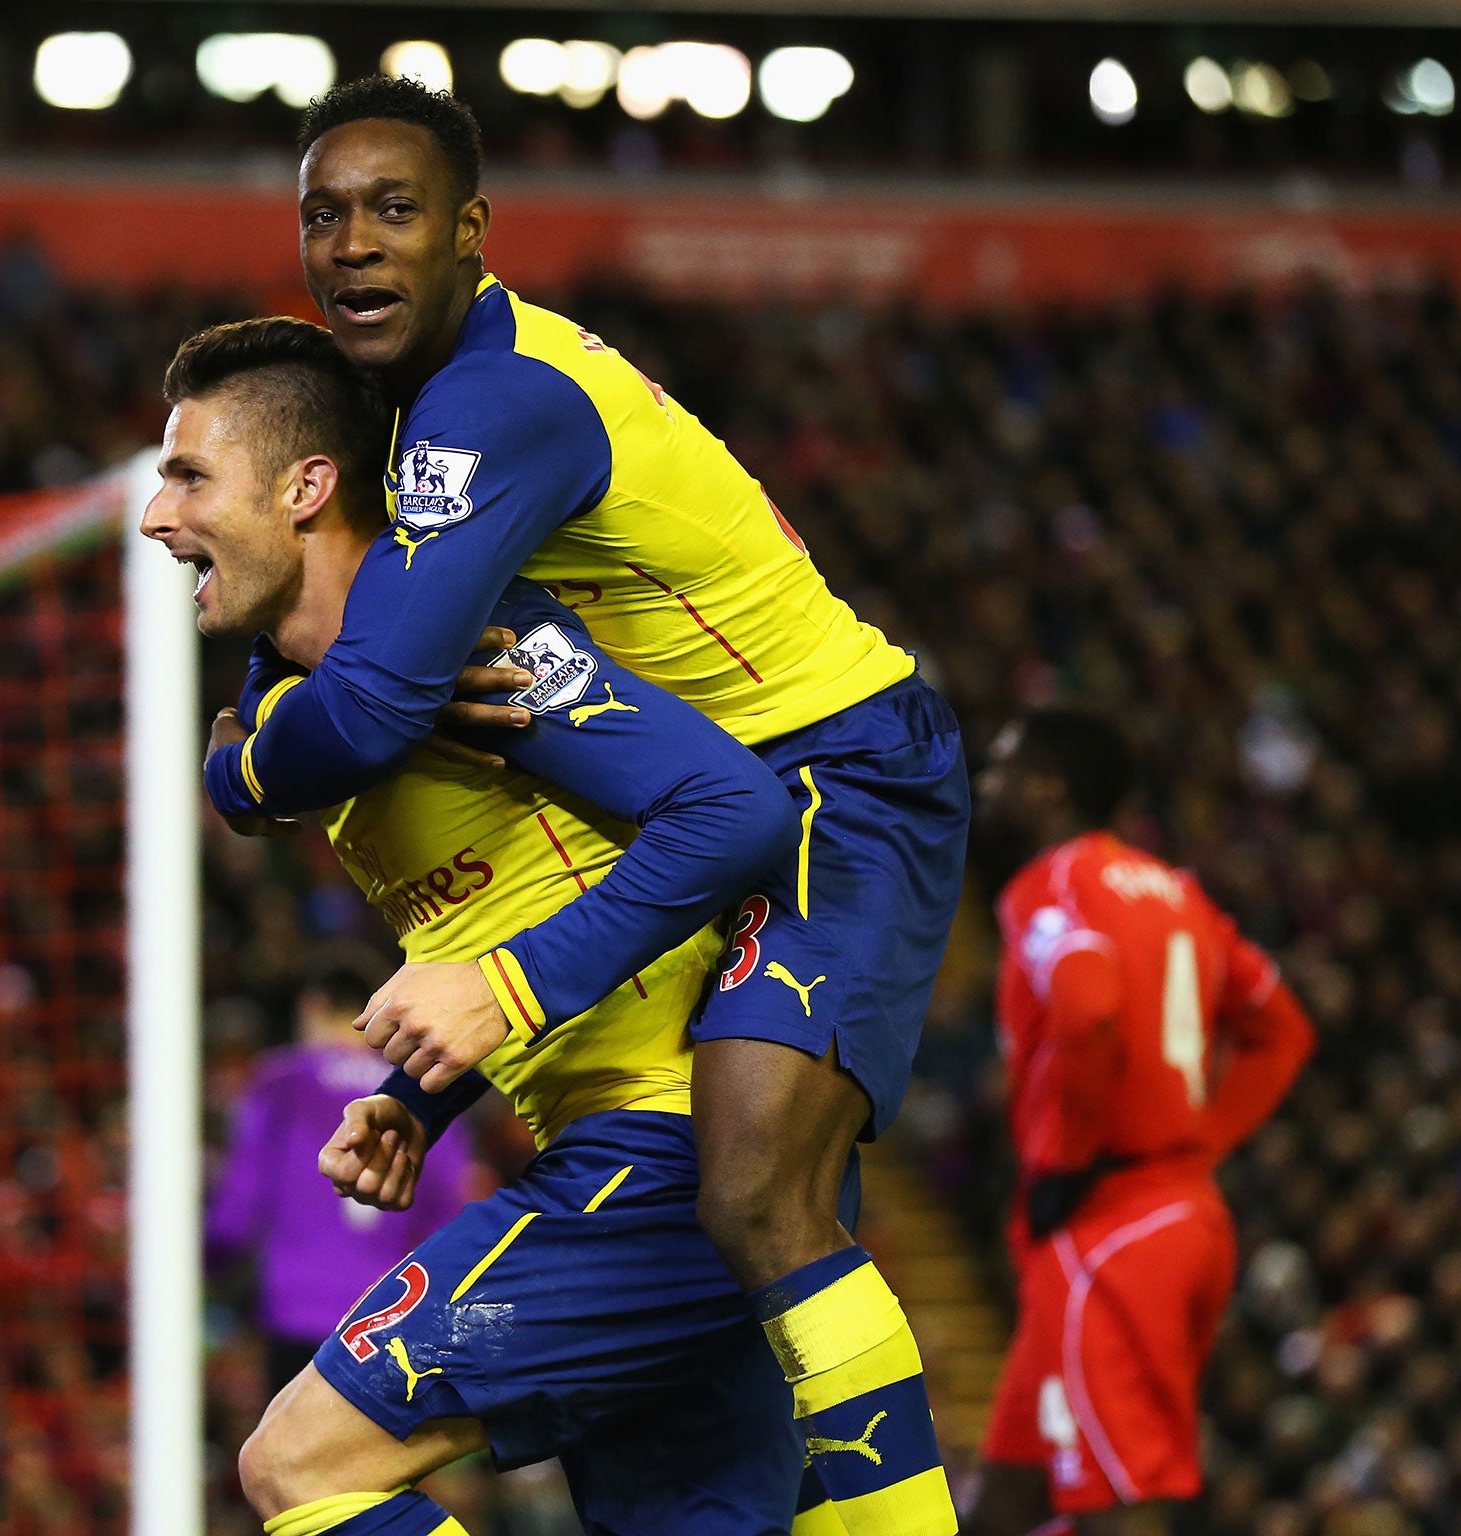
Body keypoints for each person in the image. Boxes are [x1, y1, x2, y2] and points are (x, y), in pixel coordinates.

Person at [199, 77, 969, 1533]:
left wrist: (239, 767)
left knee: (750, 1190)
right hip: (739, 793)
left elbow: (361, 706)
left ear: (475, 234)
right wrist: (430, 1090)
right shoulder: (425, 411)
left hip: (842, 769)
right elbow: (364, 672)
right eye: (323, 214)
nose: (351, 243)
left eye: (394, 210)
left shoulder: (490, 406)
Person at [965, 709, 1316, 1536]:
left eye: (1005, 767)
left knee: (1122, 1504)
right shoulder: (1181, 894)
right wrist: (1200, 1143)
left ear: (1048, 788)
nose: (989, 784)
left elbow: (1087, 1008)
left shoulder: (1050, 883)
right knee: (1009, 1498)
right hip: (1174, 1214)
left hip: (1109, 1227)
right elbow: (1283, 1028)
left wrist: (1073, 1159)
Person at [207, 968, 472, 1396]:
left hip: (297, 1311)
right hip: (388, 1319)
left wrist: (209, 1274)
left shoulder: (281, 1082)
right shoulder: (422, 1092)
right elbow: (450, 1214)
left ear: (313, 1006)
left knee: (288, 1456)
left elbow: (237, 1211)